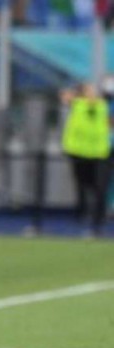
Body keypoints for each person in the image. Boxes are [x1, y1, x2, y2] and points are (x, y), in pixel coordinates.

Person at [61, 83, 111, 237]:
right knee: (83, 185)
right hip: (79, 152)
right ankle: (82, 215)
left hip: (100, 153)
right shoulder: (77, 105)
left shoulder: (103, 106)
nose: (92, 93)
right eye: (88, 91)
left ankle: (98, 219)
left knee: (100, 187)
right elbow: (65, 96)